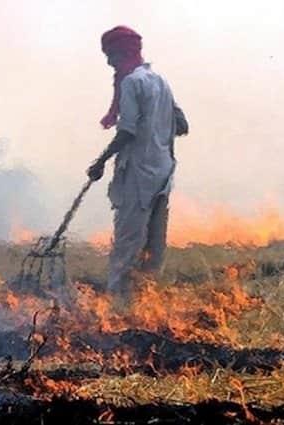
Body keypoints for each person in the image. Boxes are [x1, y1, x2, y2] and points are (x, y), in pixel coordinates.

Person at [87, 25, 188, 298]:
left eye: (111, 55)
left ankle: (118, 306)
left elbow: (127, 130)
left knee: (127, 245)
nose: (109, 62)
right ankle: (146, 303)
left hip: (139, 175)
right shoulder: (159, 81)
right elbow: (182, 124)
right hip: (163, 176)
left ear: (122, 53)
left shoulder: (132, 83)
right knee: (154, 249)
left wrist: (100, 162)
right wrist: (157, 127)